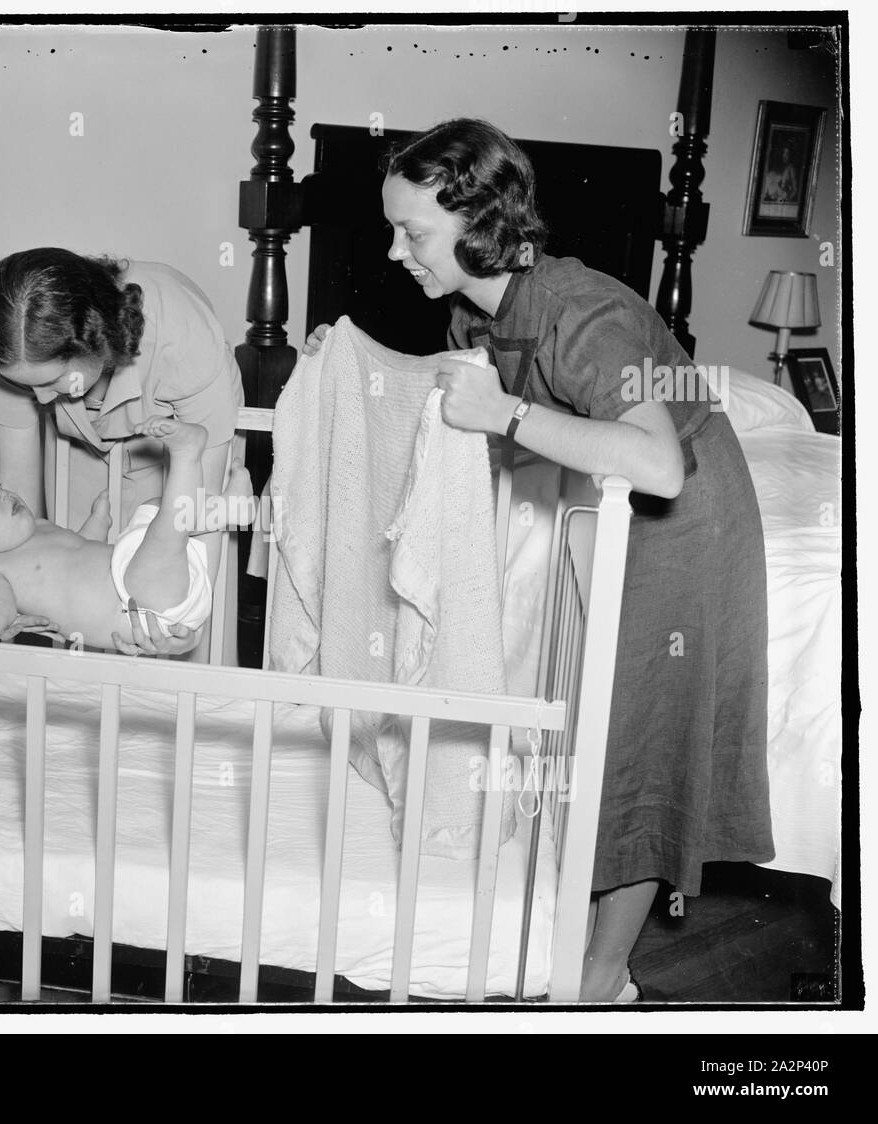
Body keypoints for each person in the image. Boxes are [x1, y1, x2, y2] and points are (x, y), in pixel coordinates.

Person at [304, 118, 773, 1002]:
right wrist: (347, 372)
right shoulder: (475, 308)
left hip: (686, 520)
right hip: (612, 511)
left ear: (479, 222)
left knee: (639, 742)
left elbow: (657, 459)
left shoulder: (587, 310)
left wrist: (510, 419)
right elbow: (455, 412)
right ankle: (574, 934)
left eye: (415, 233)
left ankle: (599, 982)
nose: (398, 252)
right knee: (591, 722)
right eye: (394, 230)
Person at [0, 248, 244, 655]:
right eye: (27, 387)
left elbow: (200, 505)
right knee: (87, 634)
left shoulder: (182, 333)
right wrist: (14, 599)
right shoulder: (14, 342)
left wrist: (188, 618)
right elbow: (19, 513)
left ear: (95, 341)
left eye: (54, 381)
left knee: (179, 657)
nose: (40, 400)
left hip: (183, 471)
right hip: (82, 458)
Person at [0, 419, 250, 651]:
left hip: (142, 571)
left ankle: (226, 511)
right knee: (166, 529)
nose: (2, 493)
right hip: (140, 604)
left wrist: (96, 524)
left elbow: (78, 554)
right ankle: (186, 456)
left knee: (155, 508)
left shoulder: (36, 529)